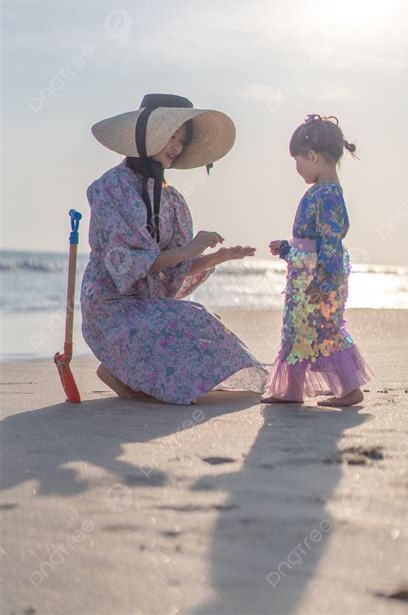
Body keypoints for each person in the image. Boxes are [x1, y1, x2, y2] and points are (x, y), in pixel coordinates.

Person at [80, 93, 267, 404]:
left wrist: (216, 258)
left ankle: (123, 373)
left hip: (145, 305)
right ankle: (120, 367)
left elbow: (172, 271)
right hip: (111, 306)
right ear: (147, 135)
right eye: (172, 135)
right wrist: (191, 249)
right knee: (190, 322)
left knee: (202, 318)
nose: (177, 145)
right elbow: (129, 265)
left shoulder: (173, 199)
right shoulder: (111, 187)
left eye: (182, 138)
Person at [262, 114, 372, 407]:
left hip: (318, 279)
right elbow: (308, 244)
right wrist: (286, 249)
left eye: (297, 160)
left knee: (324, 330)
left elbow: (329, 243)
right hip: (305, 277)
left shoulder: (328, 196)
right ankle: (291, 389)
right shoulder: (321, 192)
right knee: (297, 329)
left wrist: (324, 282)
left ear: (313, 156)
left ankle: (349, 389)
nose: (296, 168)